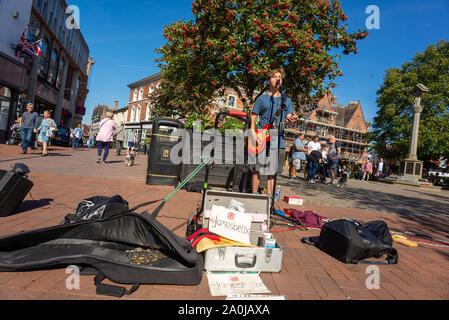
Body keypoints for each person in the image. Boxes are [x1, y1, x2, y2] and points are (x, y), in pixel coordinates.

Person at [250, 68, 297, 195]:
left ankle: (269, 198)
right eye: (275, 76)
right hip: (262, 137)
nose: (277, 79)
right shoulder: (262, 99)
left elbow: (289, 116)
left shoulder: (286, 100)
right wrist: (254, 133)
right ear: (269, 80)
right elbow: (253, 116)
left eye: (279, 77)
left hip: (278, 139)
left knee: (272, 171)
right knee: (258, 169)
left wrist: (292, 118)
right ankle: (254, 194)